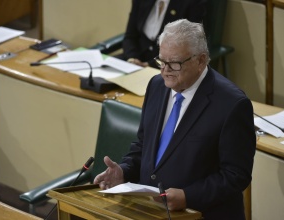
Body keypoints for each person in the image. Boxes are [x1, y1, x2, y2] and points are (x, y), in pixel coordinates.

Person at [94, 19, 256, 220]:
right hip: (151, 212)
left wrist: (189, 197)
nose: (165, 70)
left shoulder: (232, 105)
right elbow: (144, 146)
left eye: (174, 63)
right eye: (161, 61)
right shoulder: (156, 86)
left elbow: (236, 176)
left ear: (201, 60)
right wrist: (124, 172)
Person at [121, 0, 208, 68]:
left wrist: (149, 65)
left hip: (168, 66)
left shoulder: (193, 3)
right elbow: (130, 36)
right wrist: (132, 59)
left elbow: (189, 46)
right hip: (134, 61)